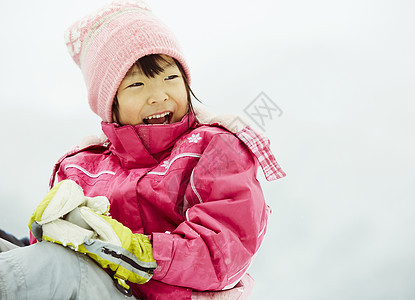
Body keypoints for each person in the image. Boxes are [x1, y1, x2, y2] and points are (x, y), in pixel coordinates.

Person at [0, 0, 285, 299]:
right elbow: (44, 254)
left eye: (170, 78)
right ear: (111, 103)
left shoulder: (214, 149)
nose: (158, 95)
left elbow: (223, 252)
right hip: (96, 287)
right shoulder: (82, 167)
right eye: (136, 85)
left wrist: (138, 250)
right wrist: (47, 231)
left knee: (56, 268)